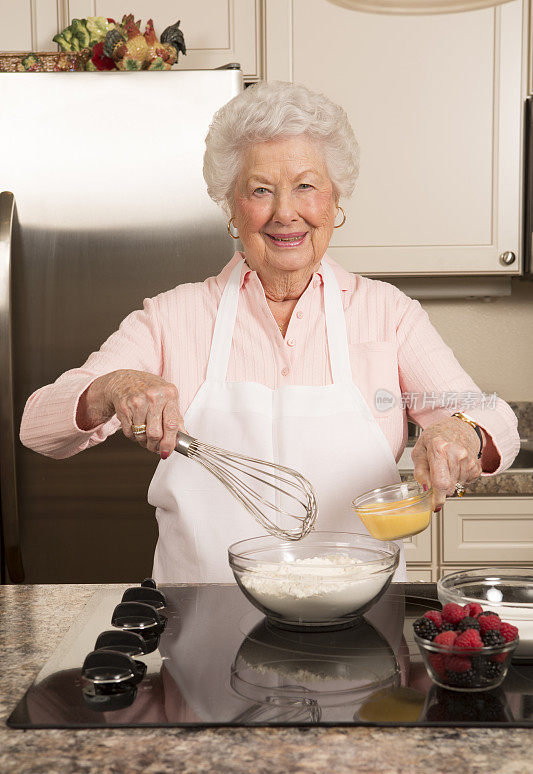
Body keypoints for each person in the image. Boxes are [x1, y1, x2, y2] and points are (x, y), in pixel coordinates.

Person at [20, 81, 519, 583]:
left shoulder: (387, 313)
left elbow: (491, 416)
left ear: (334, 200)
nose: (285, 212)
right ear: (231, 208)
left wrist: (462, 433)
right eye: (261, 190)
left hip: (359, 621)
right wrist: (113, 387)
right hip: (203, 621)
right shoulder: (174, 316)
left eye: (306, 185)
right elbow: (39, 425)